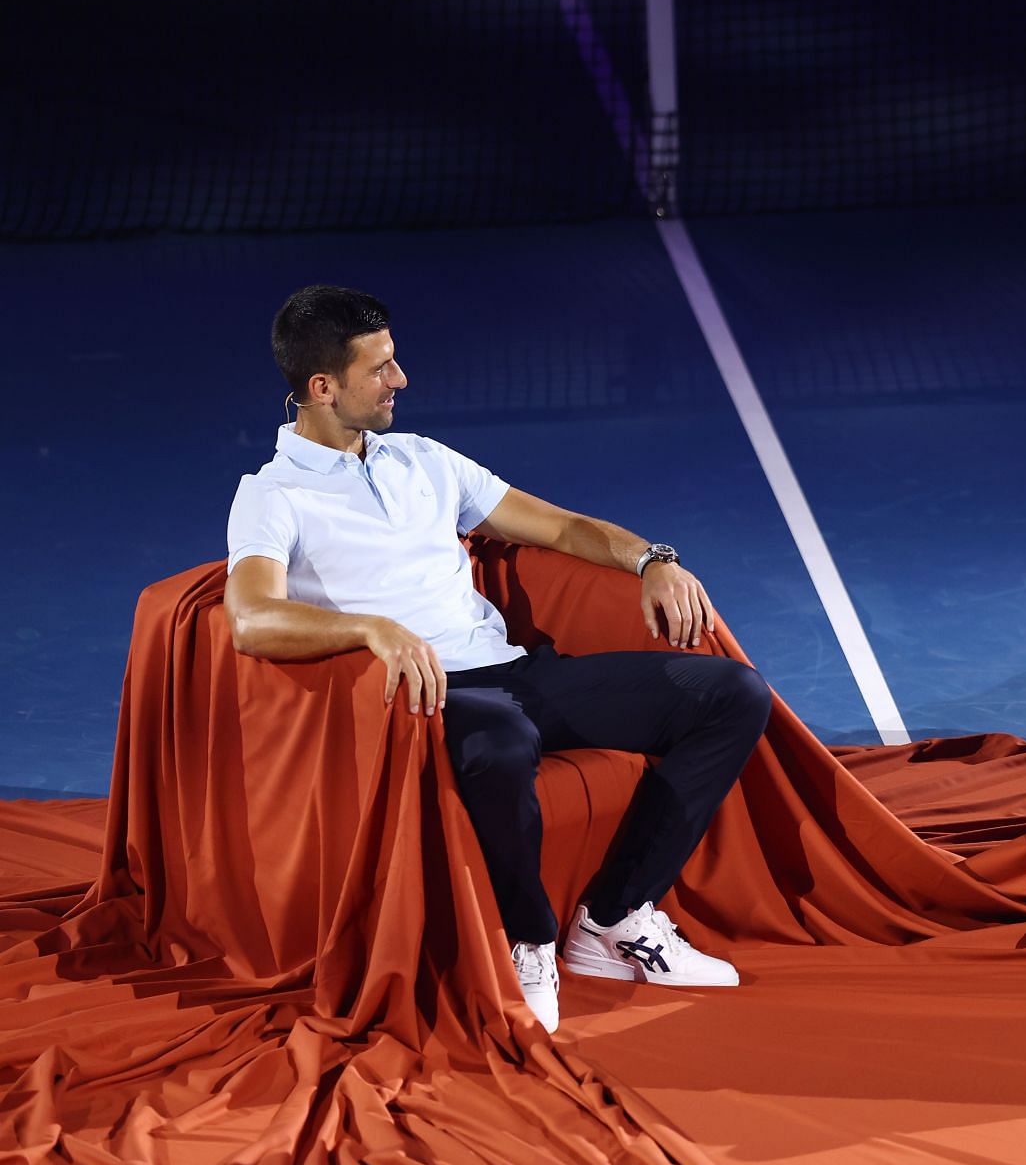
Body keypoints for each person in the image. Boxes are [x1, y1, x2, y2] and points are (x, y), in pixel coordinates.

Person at [224, 285, 771, 1032]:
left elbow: (561, 527)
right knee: (503, 744)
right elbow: (251, 619)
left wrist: (653, 559)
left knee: (730, 693)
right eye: (379, 368)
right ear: (322, 388)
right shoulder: (272, 495)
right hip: (426, 698)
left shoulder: (426, 461)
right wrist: (371, 630)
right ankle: (530, 939)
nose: (401, 380)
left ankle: (612, 920)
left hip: (512, 673)